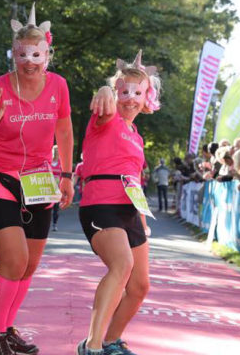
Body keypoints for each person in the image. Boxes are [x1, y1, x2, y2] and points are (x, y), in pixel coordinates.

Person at [0, 4, 74, 355]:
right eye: (22, 54)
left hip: (39, 181)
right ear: (14, 54)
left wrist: (67, 175)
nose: (29, 61)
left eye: (36, 55)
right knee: (13, 260)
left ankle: (7, 329)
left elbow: (65, 130)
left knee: (29, 265)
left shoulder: (58, 86)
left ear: (47, 55)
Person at [77, 50, 160, 355]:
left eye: (137, 93)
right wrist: (104, 90)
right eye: (124, 91)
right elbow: (103, 101)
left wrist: (141, 221)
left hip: (130, 211)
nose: (130, 98)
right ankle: (92, 345)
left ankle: (111, 341)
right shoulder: (106, 116)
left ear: (146, 97)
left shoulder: (136, 136)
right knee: (121, 265)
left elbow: (134, 181)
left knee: (140, 286)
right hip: (101, 205)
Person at [50, 145, 62, 231]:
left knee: (56, 208)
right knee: (47, 208)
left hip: (57, 189)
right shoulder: (48, 162)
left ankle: (54, 224)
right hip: (48, 188)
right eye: (54, 151)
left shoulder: (61, 163)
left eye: (57, 151)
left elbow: (63, 176)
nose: (56, 153)